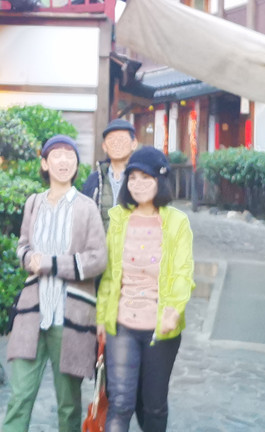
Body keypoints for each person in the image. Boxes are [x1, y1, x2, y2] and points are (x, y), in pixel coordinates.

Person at [4, 135, 108, 432]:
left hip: (70, 315)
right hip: (31, 313)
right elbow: (23, 247)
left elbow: (98, 259)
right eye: (57, 156)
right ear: (44, 164)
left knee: (68, 404)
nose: (64, 162)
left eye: (69, 156)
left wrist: (51, 263)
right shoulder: (33, 203)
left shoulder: (87, 208)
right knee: (19, 397)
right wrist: (29, 259)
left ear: (76, 165)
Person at [96, 146, 194, 432]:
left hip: (160, 329)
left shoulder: (177, 222)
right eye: (133, 178)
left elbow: (183, 272)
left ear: (160, 180)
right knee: (120, 403)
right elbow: (109, 276)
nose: (138, 184)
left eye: (146, 177)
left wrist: (174, 310)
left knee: (153, 406)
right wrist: (101, 317)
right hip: (122, 324)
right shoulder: (118, 218)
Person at [82, 118, 137, 228]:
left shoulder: (143, 178)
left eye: (121, 139)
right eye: (111, 140)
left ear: (134, 144)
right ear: (104, 146)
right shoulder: (94, 180)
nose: (116, 143)